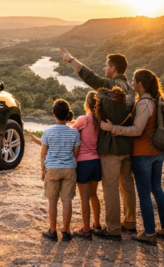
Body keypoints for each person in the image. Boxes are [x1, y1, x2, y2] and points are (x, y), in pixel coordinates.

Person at [60, 48, 136, 240]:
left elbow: (91, 78)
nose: (104, 67)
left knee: (110, 188)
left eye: (106, 65)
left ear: (113, 68)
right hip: (128, 146)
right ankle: (129, 223)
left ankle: (113, 229)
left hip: (112, 148)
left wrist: (71, 60)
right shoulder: (131, 90)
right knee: (127, 186)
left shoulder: (112, 85)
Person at [100, 69, 164, 244]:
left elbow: (137, 130)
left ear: (140, 84)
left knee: (143, 192)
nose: (131, 83)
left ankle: (149, 233)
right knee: (157, 188)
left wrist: (114, 129)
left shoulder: (144, 104)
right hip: (157, 152)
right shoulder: (156, 99)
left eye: (133, 80)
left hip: (144, 153)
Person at [37, 99, 81, 242]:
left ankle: (52, 231)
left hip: (53, 169)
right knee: (67, 201)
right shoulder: (74, 133)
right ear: (68, 114)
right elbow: (76, 153)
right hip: (69, 169)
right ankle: (66, 232)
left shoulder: (48, 132)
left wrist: (43, 171)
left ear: (53, 113)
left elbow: (43, 154)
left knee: (52, 201)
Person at [72, 91, 103, 239]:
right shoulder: (99, 120)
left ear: (87, 104)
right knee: (93, 195)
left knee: (84, 198)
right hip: (97, 162)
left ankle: (85, 229)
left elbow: (71, 133)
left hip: (83, 163)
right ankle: (97, 224)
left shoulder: (83, 119)